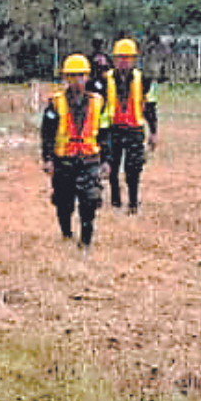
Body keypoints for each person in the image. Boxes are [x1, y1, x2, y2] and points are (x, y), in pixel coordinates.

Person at [41, 54, 109, 249]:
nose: (77, 80)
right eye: (72, 76)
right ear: (66, 78)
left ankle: (85, 241)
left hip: (89, 160)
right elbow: (47, 134)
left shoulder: (98, 102)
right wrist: (48, 159)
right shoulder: (55, 103)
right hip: (64, 161)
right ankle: (66, 232)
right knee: (64, 202)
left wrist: (107, 160)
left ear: (87, 77)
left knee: (90, 201)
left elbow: (105, 134)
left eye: (81, 75)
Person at [100, 38, 158, 213]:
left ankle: (133, 203)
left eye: (127, 58)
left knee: (133, 169)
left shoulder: (144, 80)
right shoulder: (104, 80)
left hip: (134, 129)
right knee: (112, 168)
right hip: (113, 129)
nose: (123, 61)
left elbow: (150, 107)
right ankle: (115, 201)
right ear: (114, 59)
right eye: (120, 57)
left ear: (134, 60)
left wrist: (153, 132)